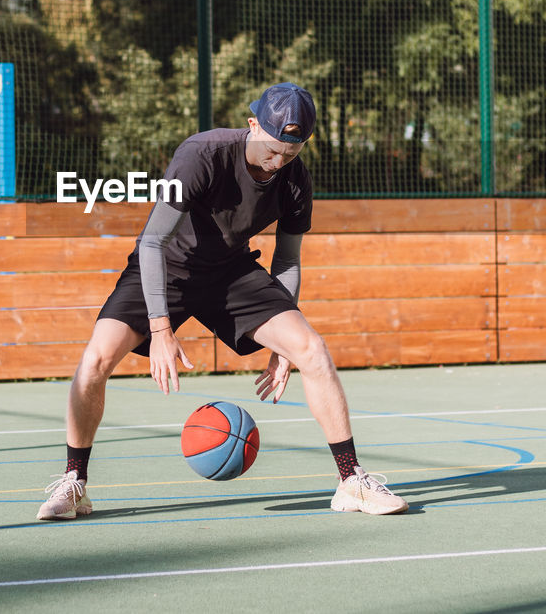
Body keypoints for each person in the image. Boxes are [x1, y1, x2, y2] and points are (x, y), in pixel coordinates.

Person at [37, 82, 408, 519]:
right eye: (274, 148)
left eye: (293, 150)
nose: (280, 160)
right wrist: (160, 329)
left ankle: (351, 482)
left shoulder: (294, 178)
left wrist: (280, 346)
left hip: (229, 271)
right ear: (253, 124)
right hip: (166, 265)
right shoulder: (202, 154)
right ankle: (74, 484)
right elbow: (153, 242)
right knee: (96, 360)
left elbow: (287, 260)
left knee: (311, 348)